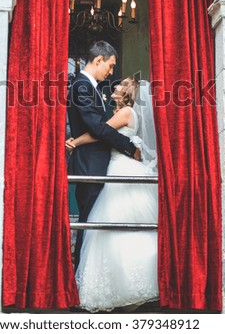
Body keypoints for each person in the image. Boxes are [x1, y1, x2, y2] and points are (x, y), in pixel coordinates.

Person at [66, 77, 159, 312]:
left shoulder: (126, 112)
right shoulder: (124, 111)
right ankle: (128, 290)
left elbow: (101, 132)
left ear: (128, 91)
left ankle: (125, 287)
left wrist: (74, 142)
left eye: (121, 84)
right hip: (122, 166)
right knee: (123, 229)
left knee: (114, 228)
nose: (116, 86)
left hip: (121, 169)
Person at [67, 41, 141, 269]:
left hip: (98, 164)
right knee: (89, 226)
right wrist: (130, 148)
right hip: (90, 165)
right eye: (110, 66)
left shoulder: (91, 86)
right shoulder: (81, 86)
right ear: (98, 60)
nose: (111, 73)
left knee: (94, 226)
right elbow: (99, 128)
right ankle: (81, 282)